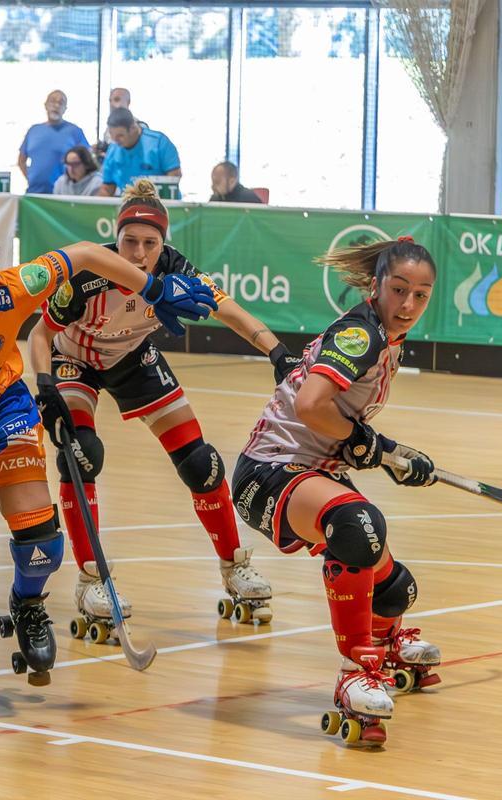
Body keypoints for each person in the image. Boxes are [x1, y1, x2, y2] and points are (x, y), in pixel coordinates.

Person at [0, 200, 217, 700]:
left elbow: (86, 254)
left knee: (41, 544)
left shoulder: (7, 291)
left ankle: (28, 606)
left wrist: (154, 288)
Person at [27, 178, 298, 640]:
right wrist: (44, 385)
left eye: (149, 244)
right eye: (129, 241)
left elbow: (229, 309)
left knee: (201, 463)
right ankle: (91, 579)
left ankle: (234, 566)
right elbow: (39, 334)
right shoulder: (87, 275)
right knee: (82, 455)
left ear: (163, 244)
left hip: (133, 358)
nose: (138, 253)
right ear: (115, 236)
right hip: (75, 361)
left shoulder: (176, 270)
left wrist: (277, 352)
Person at [231, 235, 442, 746]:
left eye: (421, 295)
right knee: (358, 525)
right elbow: (311, 406)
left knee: (395, 590)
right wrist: (372, 445)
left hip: (313, 470)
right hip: (269, 470)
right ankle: (356, 671)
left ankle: (387, 646)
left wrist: (388, 455)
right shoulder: (361, 335)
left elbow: (346, 432)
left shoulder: (386, 337)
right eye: (399, 290)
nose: (408, 304)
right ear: (377, 286)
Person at [18, 90, 89, 194]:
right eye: (53, 101)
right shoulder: (33, 130)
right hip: (34, 193)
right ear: (46, 105)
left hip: (64, 194)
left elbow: (87, 161)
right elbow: (21, 160)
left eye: (61, 103)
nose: (56, 105)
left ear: (65, 108)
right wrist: (30, 178)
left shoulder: (74, 131)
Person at [97, 108, 180, 197]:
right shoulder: (113, 151)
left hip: (158, 202)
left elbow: (174, 175)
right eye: (112, 135)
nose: (115, 140)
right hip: (129, 202)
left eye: (120, 135)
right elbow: (107, 187)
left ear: (133, 128)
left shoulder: (159, 143)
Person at [92, 87, 147, 161]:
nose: (112, 104)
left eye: (117, 100)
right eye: (110, 101)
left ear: (128, 102)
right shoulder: (108, 129)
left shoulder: (141, 127)